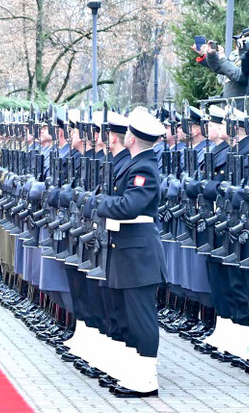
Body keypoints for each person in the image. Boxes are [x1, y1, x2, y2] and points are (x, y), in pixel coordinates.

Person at [94, 107, 167, 398]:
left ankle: (146, 380)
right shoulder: (139, 163)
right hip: (129, 251)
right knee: (127, 316)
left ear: (133, 138)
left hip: (139, 254)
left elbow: (130, 206)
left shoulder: (144, 168)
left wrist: (100, 204)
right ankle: (133, 374)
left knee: (141, 318)